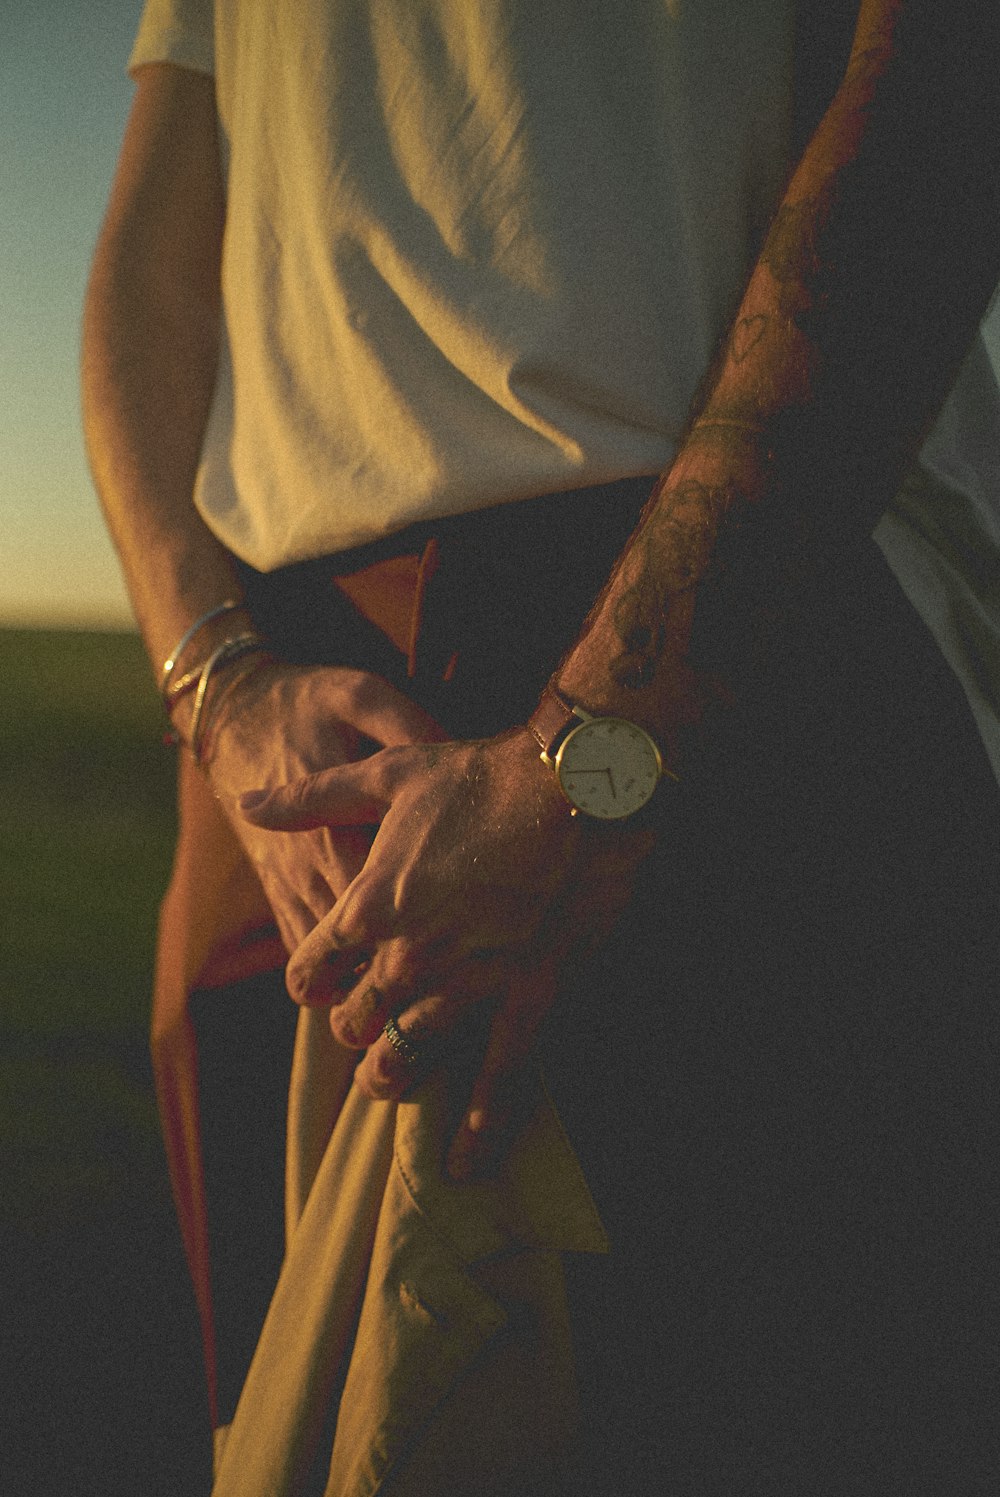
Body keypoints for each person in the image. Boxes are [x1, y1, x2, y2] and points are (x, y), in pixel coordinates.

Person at [83, 2, 1000, 1492]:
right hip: (281, 744)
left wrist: (604, 742)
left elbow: (934, 92)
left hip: (732, 645)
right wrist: (221, 682)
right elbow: (153, 252)